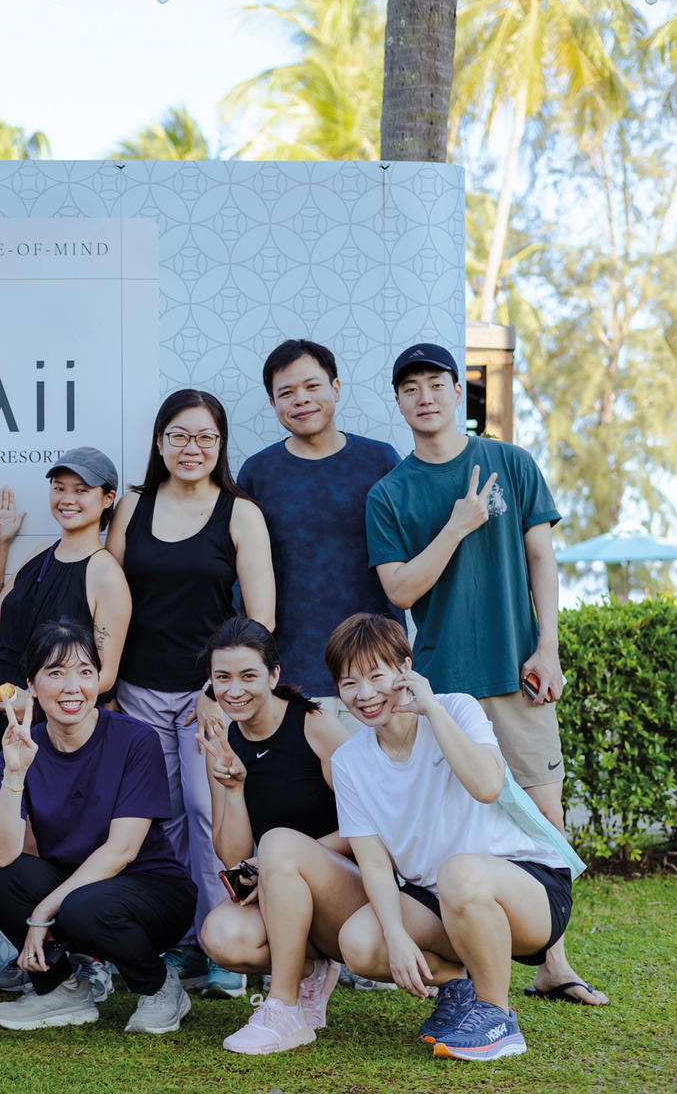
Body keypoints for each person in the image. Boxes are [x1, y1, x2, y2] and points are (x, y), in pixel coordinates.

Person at [365, 342, 603, 1006]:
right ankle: (471, 958)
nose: (424, 396)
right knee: (460, 825)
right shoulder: (390, 493)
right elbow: (400, 590)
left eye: (435, 383)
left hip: (517, 673)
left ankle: (553, 962)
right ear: (398, 401)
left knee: (545, 815)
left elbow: (541, 559)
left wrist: (548, 647)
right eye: (410, 387)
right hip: (442, 687)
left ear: (456, 391)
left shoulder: (510, 463)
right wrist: (457, 526)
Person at [324, 613, 581, 1061]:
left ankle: (496, 1016)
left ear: (405, 668)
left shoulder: (457, 708)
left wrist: (433, 711)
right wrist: (397, 937)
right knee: (361, 944)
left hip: (528, 887)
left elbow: (486, 786)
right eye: (349, 683)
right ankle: (457, 988)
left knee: (459, 872)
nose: (364, 694)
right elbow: (375, 863)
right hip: (440, 898)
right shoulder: (349, 761)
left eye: (375, 676)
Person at [106, 388, 275, 996]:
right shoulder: (132, 507)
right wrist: (104, 685)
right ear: (159, 442)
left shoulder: (240, 513)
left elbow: (261, 621)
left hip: (209, 694)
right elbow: (107, 596)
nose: (191, 448)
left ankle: (225, 940)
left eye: (205, 437)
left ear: (221, 445)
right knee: (161, 819)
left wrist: (214, 688)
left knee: (213, 815)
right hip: (137, 691)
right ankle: (180, 942)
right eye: (178, 435)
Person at [0, 620, 198, 1034]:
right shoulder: (19, 749)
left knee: (84, 905)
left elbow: (122, 851)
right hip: (78, 893)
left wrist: (42, 911)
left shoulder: (136, 740)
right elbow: (3, 855)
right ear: (32, 685)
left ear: (99, 679)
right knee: (0, 879)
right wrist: (15, 774)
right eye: (55, 672)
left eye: (84, 671)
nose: (72, 687)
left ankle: (159, 986)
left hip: (152, 893)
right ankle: (62, 989)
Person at [193, 617, 368, 1056]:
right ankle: (310, 971)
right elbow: (232, 855)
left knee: (278, 845)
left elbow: (372, 822)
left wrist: (279, 859)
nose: (234, 690)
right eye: (222, 678)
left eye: (248, 676)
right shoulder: (224, 742)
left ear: (273, 675)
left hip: (349, 894)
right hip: (281, 888)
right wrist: (233, 788)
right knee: (222, 935)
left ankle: (282, 1007)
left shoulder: (314, 725)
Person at [0, 447, 132, 874]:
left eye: (81, 489)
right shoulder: (38, 554)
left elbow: (106, 676)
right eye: (59, 488)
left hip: (51, 730)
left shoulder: (106, 573)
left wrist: (37, 702)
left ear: (107, 498)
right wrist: (0, 548)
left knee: (34, 864)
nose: (67, 499)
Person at [235, 339, 403, 726]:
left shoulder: (380, 461)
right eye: (286, 393)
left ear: (336, 388)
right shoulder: (258, 473)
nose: (301, 400)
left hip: (376, 672)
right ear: (273, 403)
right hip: (292, 674)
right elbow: (241, 578)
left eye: (312, 386)